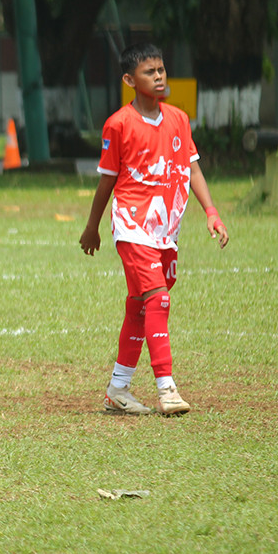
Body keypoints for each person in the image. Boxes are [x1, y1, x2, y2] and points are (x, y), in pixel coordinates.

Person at [80, 42, 229, 416]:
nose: (159, 76)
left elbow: (192, 169)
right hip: (132, 226)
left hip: (166, 230)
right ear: (130, 80)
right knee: (158, 299)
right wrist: (92, 227)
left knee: (141, 307)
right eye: (150, 71)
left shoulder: (179, 119)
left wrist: (211, 211)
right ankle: (167, 389)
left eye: (162, 70)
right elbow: (106, 182)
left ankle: (118, 388)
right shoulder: (118, 124)